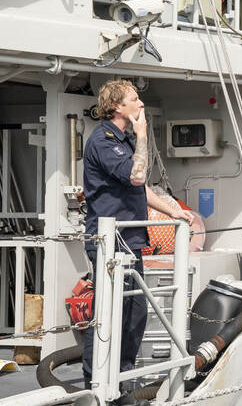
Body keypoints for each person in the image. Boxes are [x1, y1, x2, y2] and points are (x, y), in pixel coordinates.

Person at [82, 80, 196, 397]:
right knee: (108, 314)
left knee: (133, 316)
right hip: (110, 243)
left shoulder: (123, 140)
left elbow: (139, 188)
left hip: (129, 241)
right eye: (135, 99)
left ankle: (123, 382)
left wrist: (173, 210)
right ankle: (96, 385)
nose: (140, 104)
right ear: (118, 107)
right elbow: (138, 175)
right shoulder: (103, 141)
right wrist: (143, 134)